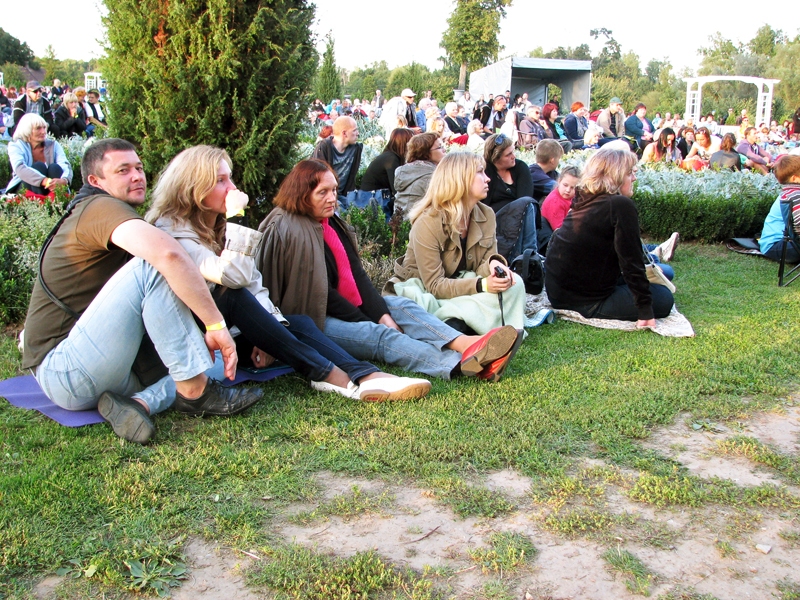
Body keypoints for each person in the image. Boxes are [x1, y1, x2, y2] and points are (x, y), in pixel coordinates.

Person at [21, 138, 263, 445]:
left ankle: (138, 404)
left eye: (138, 167)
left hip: (111, 369)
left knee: (206, 361)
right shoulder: (98, 207)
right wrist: (215, 325)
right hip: (67, 369)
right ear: (95, 181)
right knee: (158, 262)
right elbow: (169, 256)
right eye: (123, 170)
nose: (137, 176)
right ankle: (194, 392)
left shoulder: (118, 213)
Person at [147, 146, 430, 401]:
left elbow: (252, 281)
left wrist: (270, 330)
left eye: (230, 178)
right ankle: (333, 376)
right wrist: (237, 218)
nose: (232, 188)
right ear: (193, 187)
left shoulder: (217, 226)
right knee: (232, 295)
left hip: (235, 328)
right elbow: (231, 279)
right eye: (221, 180)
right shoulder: (172, 231)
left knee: (298, 324)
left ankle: (365, 375)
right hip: (204, 336)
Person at [255, 159, 522, 382]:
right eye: (322, 192)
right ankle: (458, 364)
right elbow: (318, 294)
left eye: (335, 190)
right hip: (315, 321)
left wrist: (382, 312)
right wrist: (368, 319)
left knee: (401, 307)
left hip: (345, 308)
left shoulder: (328, 222)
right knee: (380, 336)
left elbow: (357, 276)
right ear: (302, 193)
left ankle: (467, 345)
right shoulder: (287, 229)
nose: (332, 199)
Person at [385, 152, 528, 363]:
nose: (488, 178)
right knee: (427, 306)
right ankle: (465, 329)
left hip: (463, 282)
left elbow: (482, 264)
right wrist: (483, 286)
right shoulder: (428, 222)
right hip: (424, 289)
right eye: (480, 172)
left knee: (515, 284)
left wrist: (494, 264)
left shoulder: (485, 214)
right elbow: (434, 285)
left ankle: (465, 325)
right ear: (459, 180)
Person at [545, 148, 674, 325]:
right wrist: (645, 310)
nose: (634, 178)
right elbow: (631, 260)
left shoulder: (587, 198)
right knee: (665, 298)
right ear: (616, 176)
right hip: (587, 300)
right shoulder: (619, 205)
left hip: (560, 291)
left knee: (666, 272)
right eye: (630, 173)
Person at [481, 133, 542, 260]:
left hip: (521, 217)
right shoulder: (486, 172)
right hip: (496, 218)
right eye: (508, 155)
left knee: (526, 206)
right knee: (524, 208)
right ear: (495, 158)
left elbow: (524, 200)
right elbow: (483, 204)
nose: (513, 156)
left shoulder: (520, 167)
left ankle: (528, 255)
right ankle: (525, 258)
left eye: (513, 152)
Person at [5, 114, 72, 196]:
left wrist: (64, 180)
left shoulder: (53, 144)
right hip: (25, 188)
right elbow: (20, 168)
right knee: (39, 167)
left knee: (54, 168)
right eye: (38, 128)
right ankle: (40, 205)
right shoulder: (16, 145)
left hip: (51, 187)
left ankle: (60, 201)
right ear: (27, 130)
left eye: (44, 127)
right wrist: (44, 181)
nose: (43, 132)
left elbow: (65, 164)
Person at [358, 127, 413, 210]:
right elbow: (396, 188)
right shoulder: (391, 159)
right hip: (373, 200)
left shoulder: (389, 156)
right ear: (404, 143)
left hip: (372, 198)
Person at [758, 156, 800, 263]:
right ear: (794, 178)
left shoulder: (790, 192)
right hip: (776, 245)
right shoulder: (794, 195)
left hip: (786, 242)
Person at [312, 116, 363, 201]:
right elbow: (317, 180)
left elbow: (352, 179)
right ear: (344, 133)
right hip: (325, 198)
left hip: (344, 196)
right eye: (354, 130)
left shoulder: (356, 149)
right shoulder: (324, 147)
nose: (358, 133)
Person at [394, 133, 445, 216]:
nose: (444, 150)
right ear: (425, 152)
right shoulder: (429, 176)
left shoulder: (407, 170)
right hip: (416, 224)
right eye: (440, 147)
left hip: (401, 224)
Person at [541, 166, 580, 230]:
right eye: (565, 185)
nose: (568, 190)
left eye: (572, 187)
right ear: (559, 181)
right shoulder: (555, 202)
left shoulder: (571, 197)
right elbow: (559, 230)